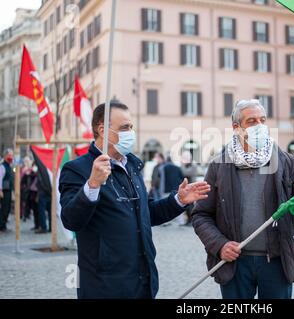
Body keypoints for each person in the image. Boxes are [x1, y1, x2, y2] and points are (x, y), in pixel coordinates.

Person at [59, 101, 210, 299]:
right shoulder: (77, 169)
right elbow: (71, 220)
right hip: (104, 285)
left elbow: (147, 213)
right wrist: (92, 185)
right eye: (124, 128)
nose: (130, 132)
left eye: (131, 127)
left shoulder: (132, 166)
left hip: (142, 280)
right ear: (103, 130)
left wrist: (178, 200)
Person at [192, 99, 294, 299]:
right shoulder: (219, 165)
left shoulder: (287, 162)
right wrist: (220, 245)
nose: (259, 126)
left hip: (277, 262)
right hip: (235, 265)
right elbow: (201, 215)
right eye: (252, 121)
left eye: (263, 120)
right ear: (236, 127)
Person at [0, 149, 14, 232]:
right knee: (3, 209)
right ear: (5, 156)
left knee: (7, 208)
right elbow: (0, 179)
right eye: (10, 155)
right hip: (3, 191)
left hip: (8, 190)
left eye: (12, 155)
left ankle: (4, 225)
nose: (11, 157)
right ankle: (1, 226)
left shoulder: (9, 166)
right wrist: (0, 190)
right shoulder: (2, 166)